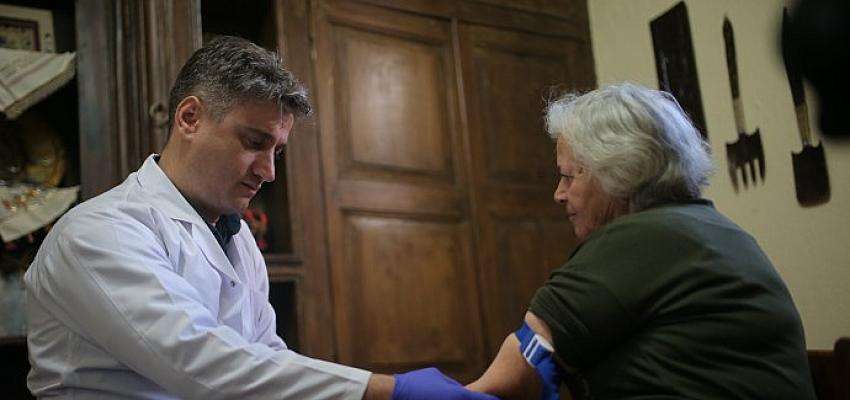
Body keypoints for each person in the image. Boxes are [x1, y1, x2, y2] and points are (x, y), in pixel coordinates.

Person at [24, 36, 498, 400]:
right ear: (189, 118)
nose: (269, 172)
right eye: (254, 143)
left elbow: (264, 356)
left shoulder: (236, 235)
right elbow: (201, 363)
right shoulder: (99, 231)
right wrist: (383, 390)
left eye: (278, 151)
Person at [466, 83, 817, 399]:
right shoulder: (721, 233)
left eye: (568, 175)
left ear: (619, 171)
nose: (559, 193)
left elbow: (512, 380)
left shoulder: (641, 240)